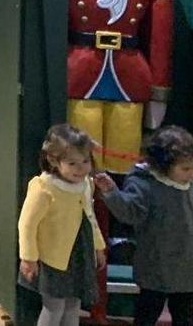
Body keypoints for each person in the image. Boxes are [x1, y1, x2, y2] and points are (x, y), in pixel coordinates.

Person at [94, 125, 193, 326]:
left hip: (187, 268)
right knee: (147, 313)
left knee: (184, 316)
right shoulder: (145, 184)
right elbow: (129, 212)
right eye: (185, 169)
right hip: (155, 266)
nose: (190, 173)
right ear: (164, 165)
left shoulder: (188, 184)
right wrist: (111, 192)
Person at [18, 124, 106, 326]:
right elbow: (27, 225)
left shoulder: (85, 184)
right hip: (53, 259)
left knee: (73, 304)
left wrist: (98, 246)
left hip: (78, 254)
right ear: (53, 160)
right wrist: (28, 257)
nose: (81, 168)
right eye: (72, 163)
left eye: (85, 161)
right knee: (54, 306)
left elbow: (89, 217)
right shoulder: (44, 188)